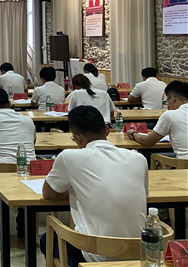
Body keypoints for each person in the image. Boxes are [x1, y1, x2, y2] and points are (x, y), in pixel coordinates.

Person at [41, 106, 148, 267]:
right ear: (107, 130)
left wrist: (79, 190)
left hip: (96, 254)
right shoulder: (138, 158)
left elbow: (49, 194)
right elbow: (143, 194)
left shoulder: (69, 156)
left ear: (77, 137)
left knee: (47, 239)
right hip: (139, 253)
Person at [0, 87, 36, 238]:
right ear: (9, 102)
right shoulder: (27, 120)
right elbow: (33, 143)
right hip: (30, 176)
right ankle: (23, 223)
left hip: (2, 177)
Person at [126, 81, 188, 159]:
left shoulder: (170, 115)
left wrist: (133, 134)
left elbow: (148, 141)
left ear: (173, 99)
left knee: (150, 155)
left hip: (183, 163)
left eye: (168, 100)